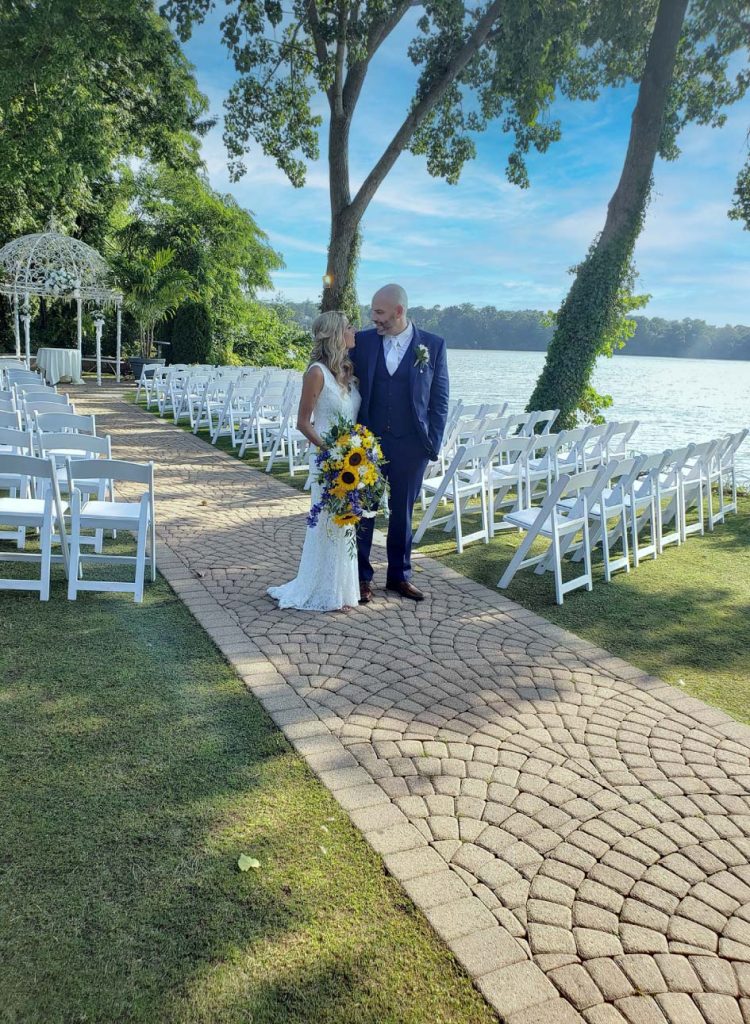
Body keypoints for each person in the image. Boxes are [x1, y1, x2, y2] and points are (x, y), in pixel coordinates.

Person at [352, 284, 449, 603]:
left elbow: (439, 399)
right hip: (368, 443)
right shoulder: (363, 342)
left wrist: (431, 443)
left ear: (399, 311)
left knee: (402, 513)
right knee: (364, 511)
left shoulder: (432, 345)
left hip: (411, 445)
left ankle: (399, 577)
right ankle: (361, 578)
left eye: (379, 312)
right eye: (372, 312)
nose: (373, 318)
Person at [267, 311, 361, 611]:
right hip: (326, 459)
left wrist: (355, 451)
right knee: (326, 521)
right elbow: (303, 422)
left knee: (346, 521)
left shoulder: (347, 371)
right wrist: (331, 450)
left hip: (352, 460)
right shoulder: (316, 373)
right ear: (335, 335)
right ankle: (321, 590)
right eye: (349, 327)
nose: (354, 330)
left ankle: (342, 590)